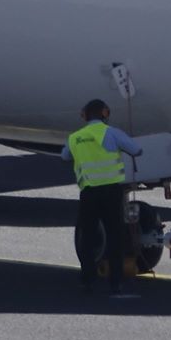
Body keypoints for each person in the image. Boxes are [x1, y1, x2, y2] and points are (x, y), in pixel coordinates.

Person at [63, 99, 144, 298]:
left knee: (88, 237)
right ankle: (116, 283)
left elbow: (65, 156)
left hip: (89, 192)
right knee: (115, 237)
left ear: (84, 115)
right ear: (105, 113)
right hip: (111, 192)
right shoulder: (111, 133)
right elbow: (137, 150)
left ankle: (87, 280)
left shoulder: (75, 137)